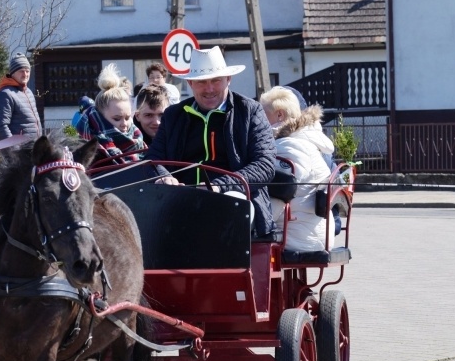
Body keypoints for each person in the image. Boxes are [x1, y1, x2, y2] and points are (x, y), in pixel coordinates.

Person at [144, 46, 276, 238]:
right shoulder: (173, 115)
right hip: (181, 196)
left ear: (228, 79)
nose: (209, 88)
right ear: (190, 83)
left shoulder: (250, 111)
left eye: (216, 80)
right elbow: (153, 159)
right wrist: (164, 178)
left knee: (229, 208)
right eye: (201, 81)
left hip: (234, 195)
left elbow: (265, 165)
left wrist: (218, 186)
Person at [260, 86, 334, 251]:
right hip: (313, 233)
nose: (259, 122)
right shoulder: (306, 141)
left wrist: (252, 225)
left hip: (297, 236)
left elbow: (277, 198)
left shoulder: (289, 146)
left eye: (263, 116)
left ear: (279, 114)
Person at [75, 63, 147, 165]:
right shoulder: (83, 152)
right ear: (100, 118)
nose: (124, 124)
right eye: (117, 119)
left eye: (127, 118)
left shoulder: (139, 141)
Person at [0, 52, 42, 140]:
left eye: (27, 71)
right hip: (19, 148)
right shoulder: (5, 94)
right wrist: (13, 147)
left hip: (34, 146)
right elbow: (1, 127)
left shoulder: (29, 92)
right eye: (21, 71)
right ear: (13, 73)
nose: (25, 74)